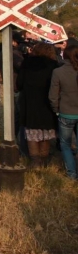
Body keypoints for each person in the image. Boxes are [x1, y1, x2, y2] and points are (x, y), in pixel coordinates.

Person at [16, 43, 58, 167]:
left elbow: (19, 84)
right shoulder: (53, 65)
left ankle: (35, 161)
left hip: (30, 103)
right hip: (47, 104)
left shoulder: (27, 63)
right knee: (46, 133)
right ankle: (44, 160)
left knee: (32, 134)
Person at [49, 44, 78, 179]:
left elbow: (53, 95)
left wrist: (56, 109)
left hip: (66, 111)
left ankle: (72, 173)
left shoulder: (58, 72)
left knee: (65, 144)